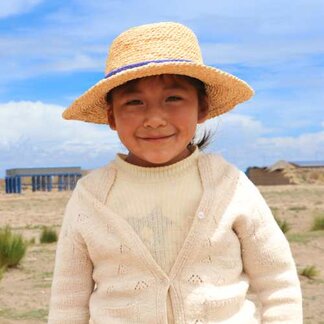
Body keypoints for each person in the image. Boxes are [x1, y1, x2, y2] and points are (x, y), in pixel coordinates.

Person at [48, 22, 303, 323]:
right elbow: (68, 301)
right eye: (134, 101)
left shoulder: (230, 185)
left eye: (173, 98)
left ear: (202, 107)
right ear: (111, 116)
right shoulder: (91, 196)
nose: (154, 119)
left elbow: (278, 285)